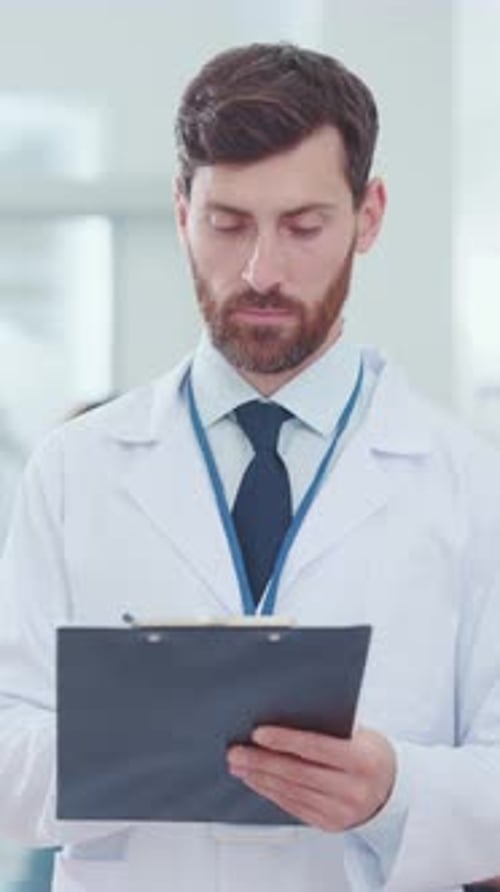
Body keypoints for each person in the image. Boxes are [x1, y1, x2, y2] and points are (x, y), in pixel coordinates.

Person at [0, 42, 500, 892]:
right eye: (227, 224)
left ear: (368, 216)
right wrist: (144, 742)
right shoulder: (75, 468)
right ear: (181, 209)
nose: (261, 271)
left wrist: (394, 789)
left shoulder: (469, 482)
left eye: (303, 227)